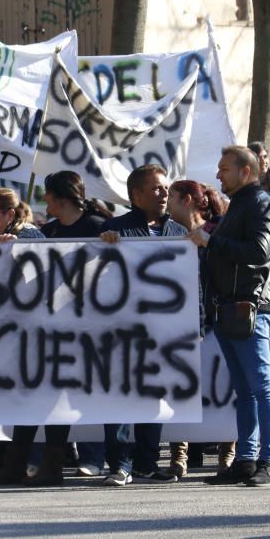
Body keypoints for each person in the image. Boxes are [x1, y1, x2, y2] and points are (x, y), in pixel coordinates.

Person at [0, 172, 105, 487]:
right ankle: (17, 465)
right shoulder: (39, 232)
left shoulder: (45, 234)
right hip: (32, 333)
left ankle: (52, 466)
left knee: (52, 399)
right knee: (29, 398)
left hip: (62, 331)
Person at [191, 146, 270, 487]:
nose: (218, 175)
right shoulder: (243, 205)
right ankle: (246, 459)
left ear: (245, 172)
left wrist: (210, 241)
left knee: (259, 385)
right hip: (232, 306)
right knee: (245, 389)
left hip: (250, 306)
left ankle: (267, 460)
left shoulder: (260, 205)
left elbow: (260, 252)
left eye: (224, 169)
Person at [97, 164, 186, 486]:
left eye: (166, 188)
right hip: (122, 329)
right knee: (121, 396)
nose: (164, 194)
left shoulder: (178, 233)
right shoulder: (115, 229)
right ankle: (119, 463)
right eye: (156, 189)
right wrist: (102, 246)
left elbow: (193, 284)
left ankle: (147, 463)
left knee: (153, 396)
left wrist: (197, 324)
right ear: (136, 195)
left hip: (163, 332)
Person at [165, 178, 234, 478]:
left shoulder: (219, 232)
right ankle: (178, 455)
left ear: (187, 200)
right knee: (181, 386)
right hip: (182, 320)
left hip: (219, 318)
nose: (165, 202)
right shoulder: (169, 234)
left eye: (170, 196)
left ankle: (227, 453)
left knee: (224, 385)